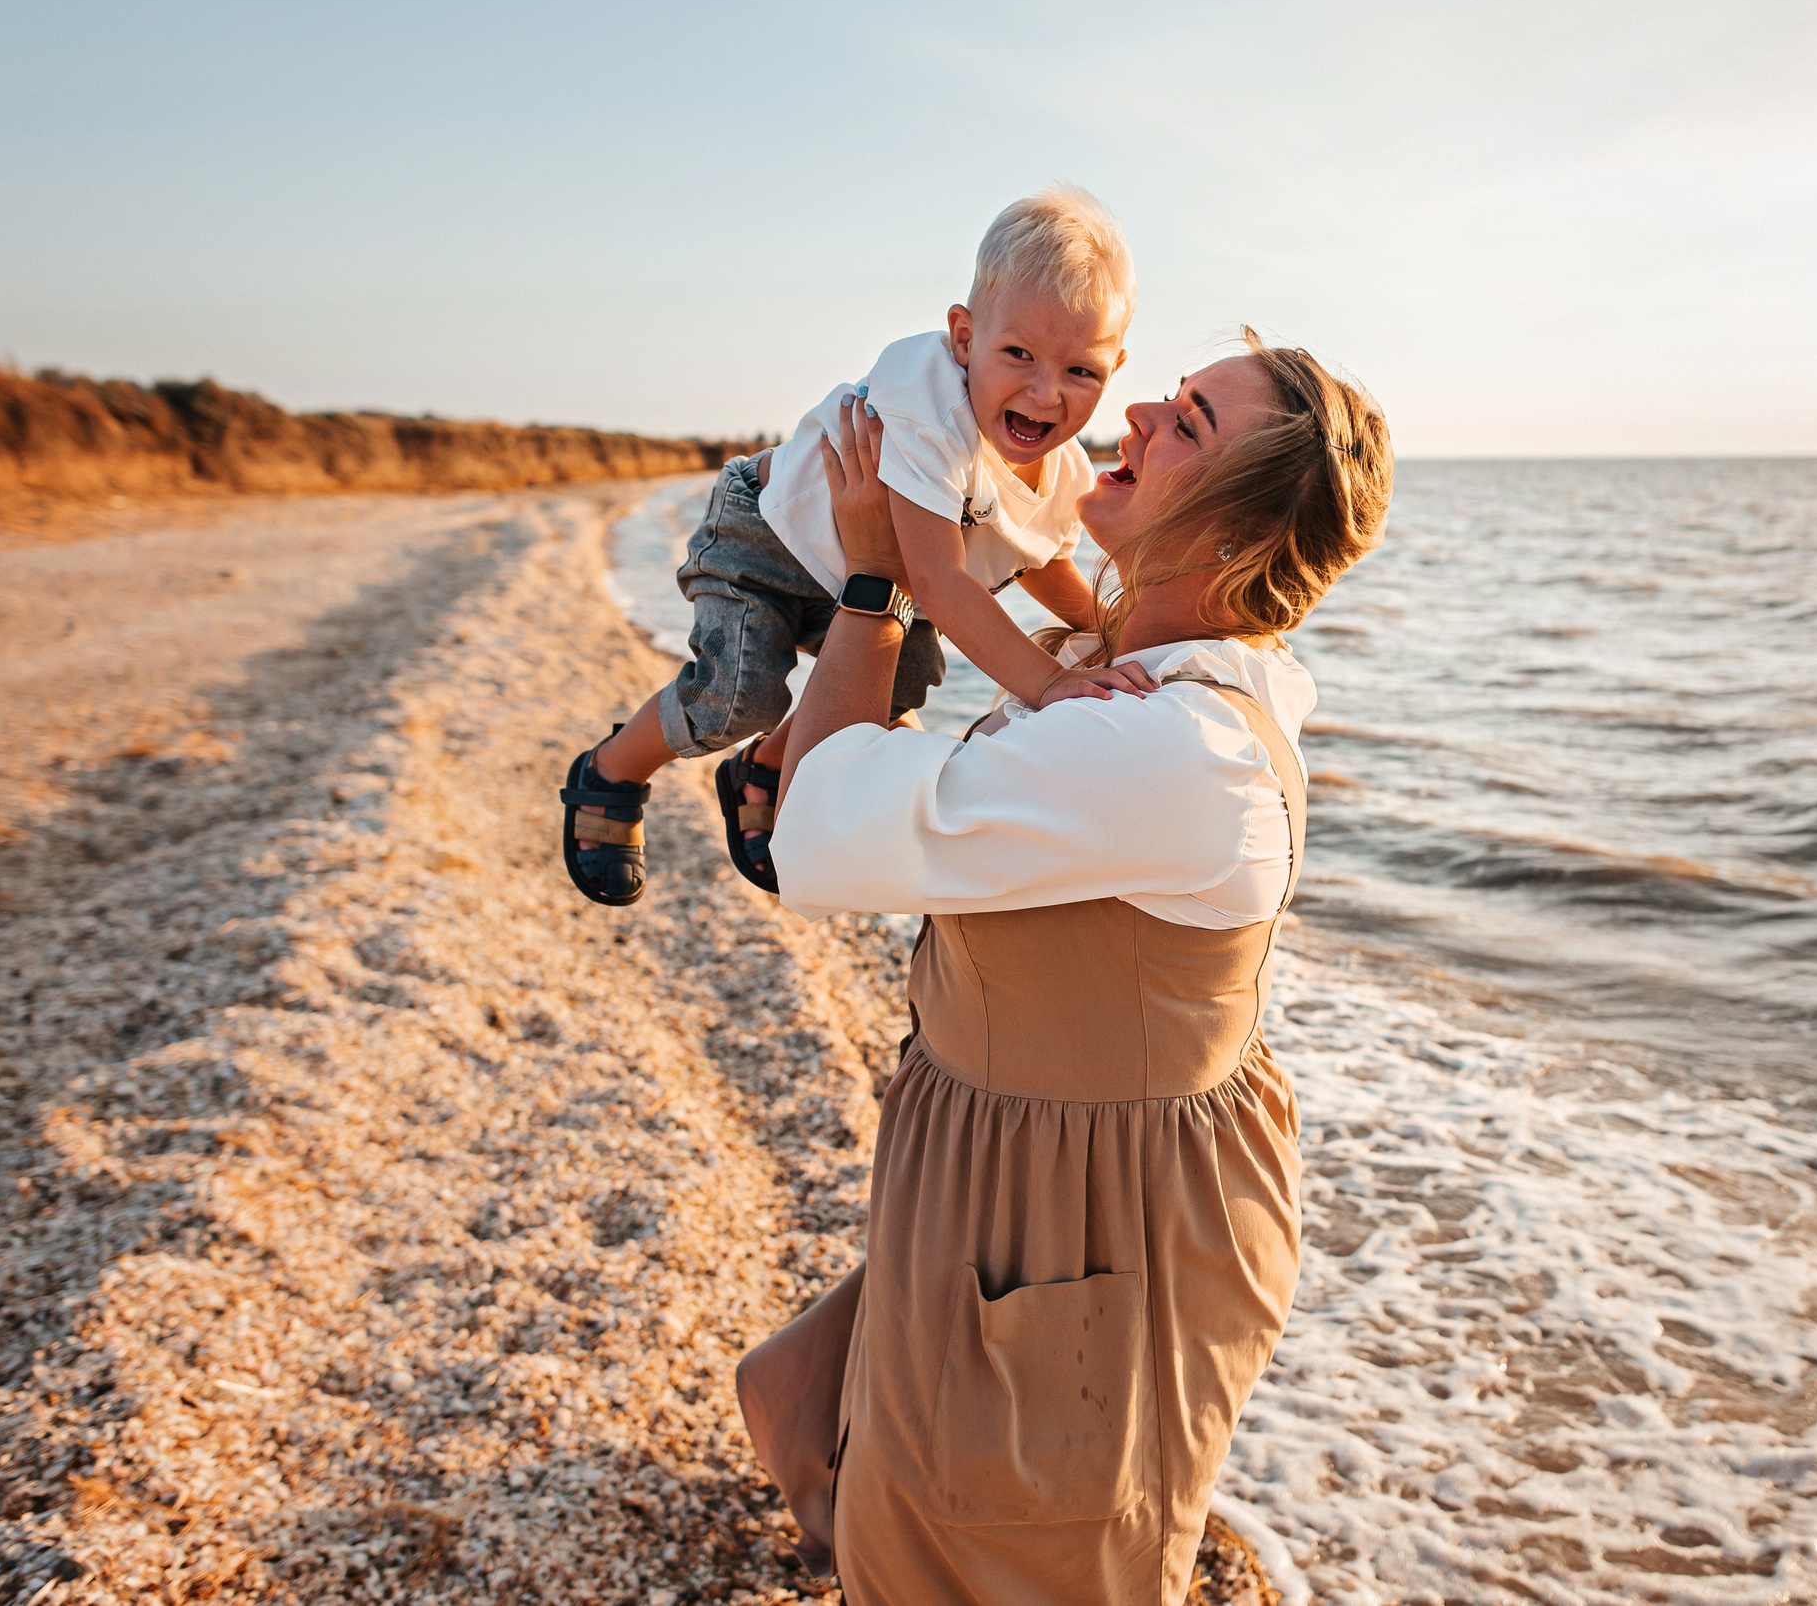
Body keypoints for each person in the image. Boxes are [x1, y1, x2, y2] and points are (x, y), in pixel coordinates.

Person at [735, 331, 1392, 1604]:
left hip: (1093, 1206)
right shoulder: (1114, 669)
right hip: (1006, 1155)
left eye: (1191, 422)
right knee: (847, 1438)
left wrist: (877, 580)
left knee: (1027, 1551)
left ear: (1230, 540)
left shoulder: (1171, 749)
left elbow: (812, 837)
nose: (1138, 410)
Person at [559, 184, 1153, 905]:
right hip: (769, 540)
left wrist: (1124, 635)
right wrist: (1050, 682)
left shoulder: (1063, 471)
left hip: (862, 580)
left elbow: (1043, 560)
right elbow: (938, 581)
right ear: (964, 338)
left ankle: (765, 770)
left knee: (899, 685)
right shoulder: (924, 396)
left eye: (1078, 371)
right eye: (1018, 353)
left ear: (1114, 368)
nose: (1044, 392)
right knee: (735, 698)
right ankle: (611, 770)